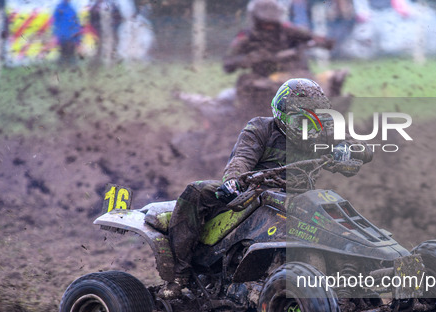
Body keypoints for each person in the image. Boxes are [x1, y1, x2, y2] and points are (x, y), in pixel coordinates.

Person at [160, 78, 373, 299]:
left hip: (302, 198)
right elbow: (241, 159)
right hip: (256, 193)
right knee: (197, 190)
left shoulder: (324, 132)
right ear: (282, 114)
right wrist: (232, 181)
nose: (309, 127)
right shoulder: (260, 128)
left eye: (315, 118)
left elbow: (365, 150)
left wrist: (347, 149)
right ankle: (178, 274)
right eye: (301, 120)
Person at [222, 0, 341, 116]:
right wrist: (248, 59)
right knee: (246, 82)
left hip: (295, 73)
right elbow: (228, 62)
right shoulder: (246, 36)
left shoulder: (287, 29)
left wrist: (321, 42)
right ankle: (252, 118)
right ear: (256, 20)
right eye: (265, 23)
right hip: (264, 76)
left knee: (331, 80)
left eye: (272, 23)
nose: (269, 27)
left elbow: (312, 37)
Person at [53, 0, 82, 66]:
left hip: (70, 37)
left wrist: (77, 37)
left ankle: (70, 69)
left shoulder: (71, 9)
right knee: (64, 55)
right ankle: (63, 69)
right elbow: (56, 23)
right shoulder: (60, 8)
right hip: (64, 37)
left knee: (71, 55)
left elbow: (76, 24)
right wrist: (56, 36)